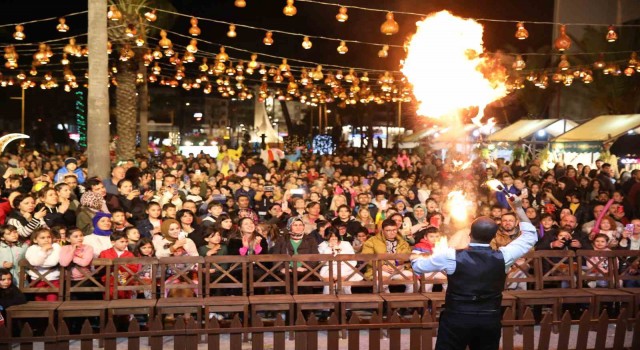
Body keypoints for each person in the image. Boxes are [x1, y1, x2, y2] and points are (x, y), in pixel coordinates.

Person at [411, 196, 537, 350]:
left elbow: (418, 267)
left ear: (470, 234)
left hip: (457, 318)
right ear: (492, 237)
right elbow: (530, 236)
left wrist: (414, 256)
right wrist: (518, 208)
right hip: (489, 317)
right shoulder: (504, 256)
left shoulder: (451, 256)